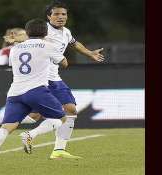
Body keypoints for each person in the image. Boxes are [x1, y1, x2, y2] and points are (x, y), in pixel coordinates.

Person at [20, 1, 104, 159]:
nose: (60, 17)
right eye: (56, 14)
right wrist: (17, 38)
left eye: (63, 14)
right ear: (48, 16)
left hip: (54, 78)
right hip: (43, 78)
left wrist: (90, 53)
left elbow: (74, 43)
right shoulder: (43, 31)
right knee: (48, 115)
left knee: (64, 112)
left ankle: (58, 150)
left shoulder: (65, 32)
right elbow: (26, 38)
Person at [0, 18, 68, 169]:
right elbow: (64, 63)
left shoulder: (15, 49)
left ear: (27, 32)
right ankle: (30, 135)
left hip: (15, 92)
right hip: (37, 90)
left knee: (7, 127)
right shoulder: (48, 45)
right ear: (46, 32)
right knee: (61, 118)